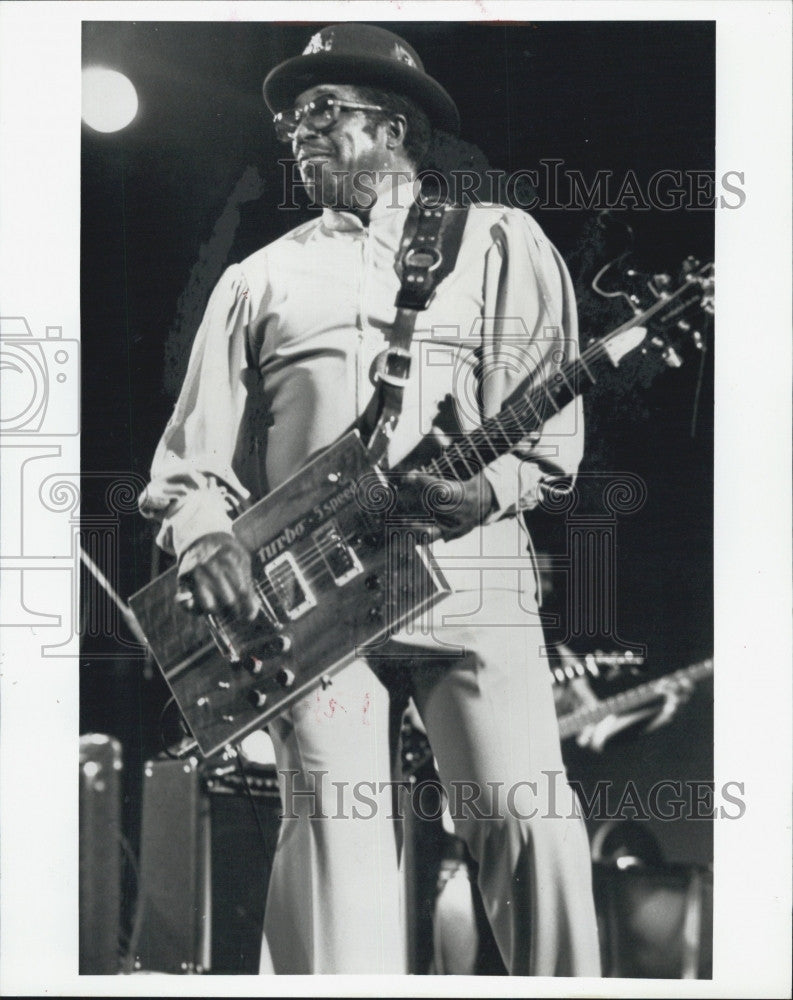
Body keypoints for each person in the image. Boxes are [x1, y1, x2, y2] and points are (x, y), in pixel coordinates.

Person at [139, 23, 600, 976]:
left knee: (524, 817)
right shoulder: (255, 277)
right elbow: (193, 457)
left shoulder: (497, 241)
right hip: (308, 598)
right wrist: (200, 536)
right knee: (333, 843)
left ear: (395, 129)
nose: (298, 132)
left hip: (469, 578)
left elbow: (551, 425)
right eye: (290, 119)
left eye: (322, 113)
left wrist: (489, 488)